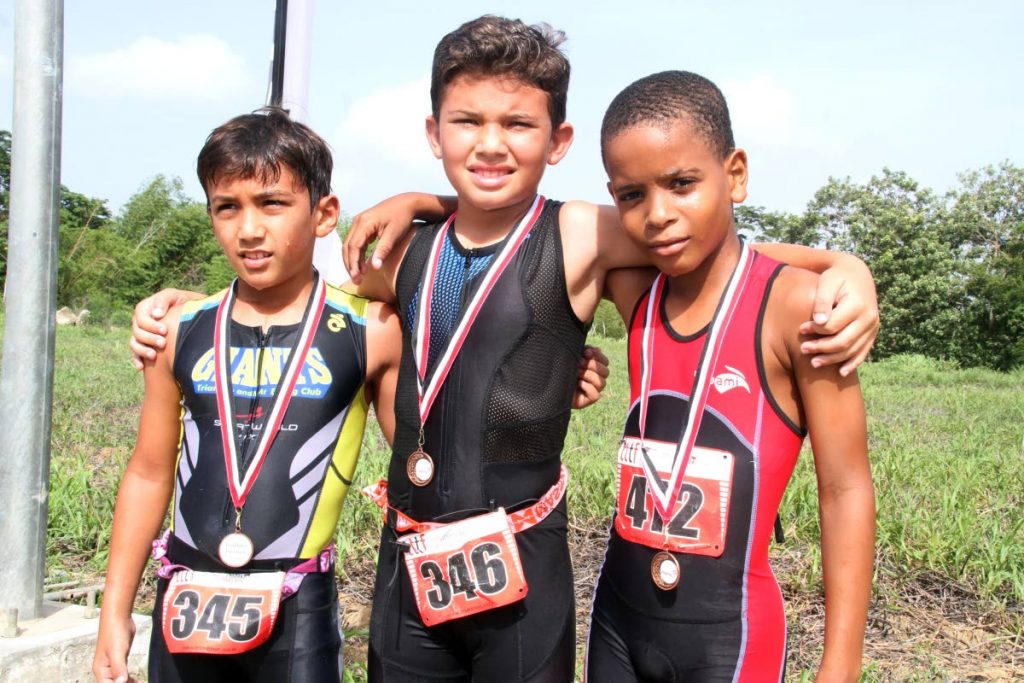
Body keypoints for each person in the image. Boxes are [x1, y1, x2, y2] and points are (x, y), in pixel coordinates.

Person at [133, 17, 877, 682]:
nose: (490, 143)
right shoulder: (396, 249)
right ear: (435, 134)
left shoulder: (581, 234)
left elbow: (701, 237)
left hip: (524, 572)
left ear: (557, 143)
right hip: (409, 568)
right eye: (467, 122)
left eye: (518, 124)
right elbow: (279, 283)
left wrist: (842, 266)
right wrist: (179, 304)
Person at [93, 108, 402, 683]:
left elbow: (418, 463)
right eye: (226, 207)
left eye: (272, 203)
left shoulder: (371, 329)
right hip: (185, 594)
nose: (249, 229)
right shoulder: (177, 330)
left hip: (297, 604)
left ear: (324, 213)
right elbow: (148, 472)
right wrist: (114, 611)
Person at [584, 71, 875, 682]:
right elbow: (525, 224)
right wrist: (423, 203)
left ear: (735, 174)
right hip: (615, 626)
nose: (658, 214)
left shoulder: (799, 310)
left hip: (729, 642)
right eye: (631, 195)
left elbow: (845, 490)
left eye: (682, 184)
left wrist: (841, 665)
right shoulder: (636, 291)